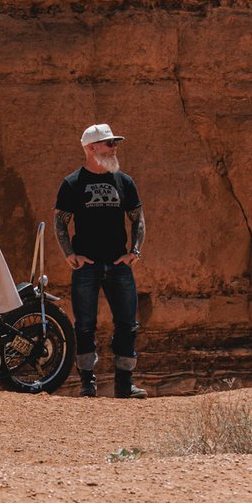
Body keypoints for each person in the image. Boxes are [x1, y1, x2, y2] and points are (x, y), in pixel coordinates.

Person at [54, 123, 146, 398]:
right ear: (91, 148)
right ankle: (87, 384)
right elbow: (60, 221)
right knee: (84, 324)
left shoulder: (124, 181)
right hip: (87, 267)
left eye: (114, 143)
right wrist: (70, 254)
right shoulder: (72, 183)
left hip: (119, 265)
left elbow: (138, 218)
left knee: (127, 324)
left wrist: (135, 251)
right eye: (109, 143)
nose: (114, 147)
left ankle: (124, 384)